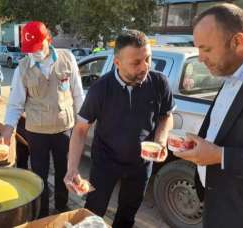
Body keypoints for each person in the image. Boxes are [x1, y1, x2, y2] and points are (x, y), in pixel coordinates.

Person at [64, 30, 175, 228]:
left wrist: (160, 141)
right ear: (117, 63)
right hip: (105, 162)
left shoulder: (159, 83)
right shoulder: (100, 89)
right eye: (136, 63)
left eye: (148, 59)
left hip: (141, 164)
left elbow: (166, 116)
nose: (145, 67)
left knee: (127, 214)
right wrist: (72, 168)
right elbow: (80, 129)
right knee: (93, 211)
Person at [173, 4, 243, 227]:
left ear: (237, 42)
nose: (200, 58)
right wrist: (200, 145)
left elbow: (223, 153)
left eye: (206, 49)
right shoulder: (231, 73)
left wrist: (220, 156)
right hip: (216, 205)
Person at [0, 21, 85, 217]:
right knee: (39, 175)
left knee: (66, 170)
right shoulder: (23, 67)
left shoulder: (67, 58)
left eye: (38, 47)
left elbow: (78, 94)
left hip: (64, 129)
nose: (35, 53)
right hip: (36, 132)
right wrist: (6, 132)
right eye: (30, 49)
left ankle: (62, 207)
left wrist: (83, 125)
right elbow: (15, 104)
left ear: (49, 40)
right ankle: (43, 213)